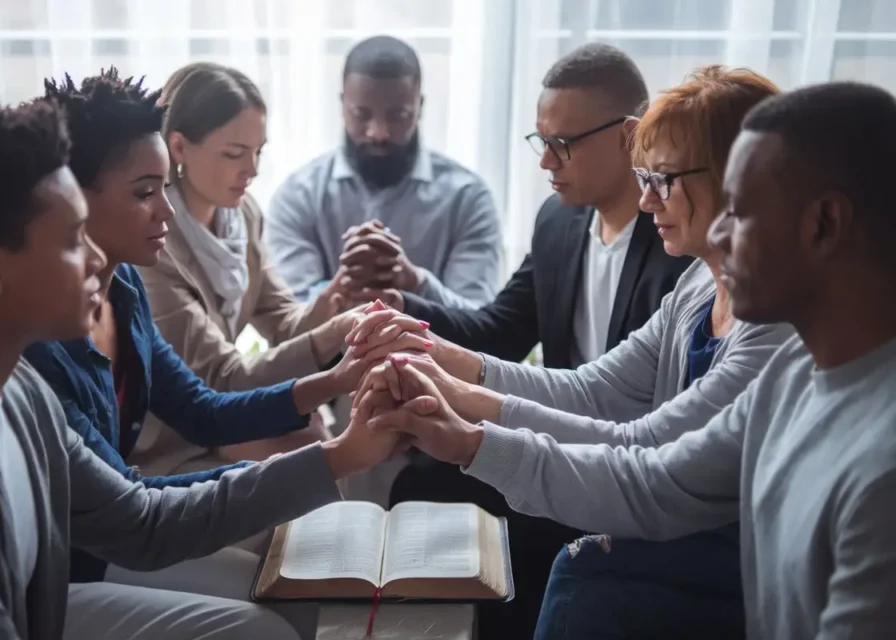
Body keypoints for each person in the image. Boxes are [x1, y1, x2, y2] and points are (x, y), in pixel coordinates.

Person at [354, 81, 896, 639]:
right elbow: (651, 475)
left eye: (742, 210)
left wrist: (465, 426)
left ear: (824, 223)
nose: (722, 234)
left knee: (584, 575)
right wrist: (460, 427)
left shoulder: (878, 470)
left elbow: (642, 454)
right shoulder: (788, 376)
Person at [0, 98, 407, 639]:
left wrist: (342, 452)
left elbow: (140, 521)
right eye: (71, 241)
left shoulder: (17, 392)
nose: (98, 260)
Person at [21, 70, 431, 589]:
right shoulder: (44, 339)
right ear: (72, 199)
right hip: (77, 561)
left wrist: (339, 377)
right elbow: (137, 509)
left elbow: (202, 410)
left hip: (122, 522)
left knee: (296, 566)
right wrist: (337, 455)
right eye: (147, 191)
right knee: (285, 589)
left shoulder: (122, 287)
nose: (165, 208)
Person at [383, 43, 694, 637]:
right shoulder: (558, 222)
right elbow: (500, 328)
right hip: (556, 429)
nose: (547, 162)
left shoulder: (679, 251)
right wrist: (404, 311)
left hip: (630, 466)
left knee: (516, 537)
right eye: (540, 141)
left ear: (630, 137)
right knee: (420, 480)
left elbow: (642, 413)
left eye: (564, 144)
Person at [133, 62, 358, 474]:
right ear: (179, 148)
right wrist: (329, 336)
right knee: (314, 450)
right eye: (234, 154)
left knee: (315, 435)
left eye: (258, 152)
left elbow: (282, 320)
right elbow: (219, 378)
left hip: (221, 409)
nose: (252, 170)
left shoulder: (243, 216)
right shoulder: (153, 243)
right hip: (172, 431)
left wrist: (331, 304)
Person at [265, 35, 502, 310]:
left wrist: (415, 281)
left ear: (419, 108)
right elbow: (290, 317)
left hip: (435, 355)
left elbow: (479, 320)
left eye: (397, 115)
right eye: (362, 115)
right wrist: (344, 286)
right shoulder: (298, 196)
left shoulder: (468, 198)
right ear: (343, 105)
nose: (378, 133)